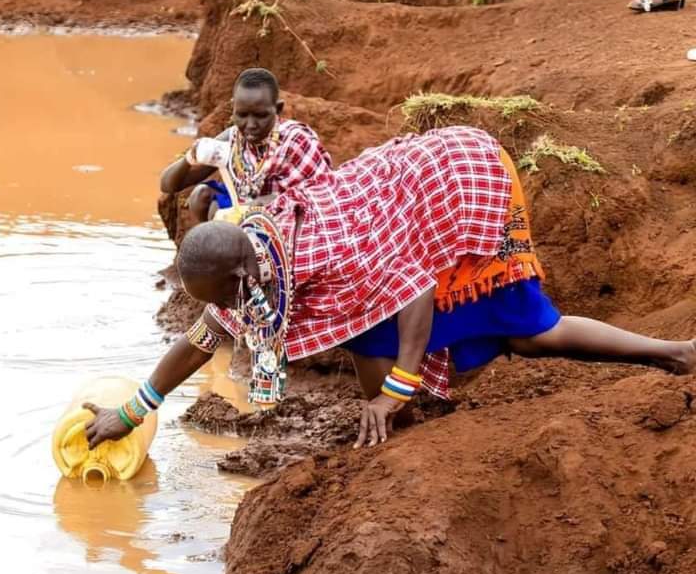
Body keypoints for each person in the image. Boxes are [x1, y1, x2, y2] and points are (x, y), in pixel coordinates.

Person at [85, 126, 696, 451]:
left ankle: (673, 354)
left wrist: (391, 397)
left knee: (530, 333)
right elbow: (202, 338)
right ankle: (411, 412)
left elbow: (415, 290)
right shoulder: (250, 251)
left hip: (459, 188)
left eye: (223, 297)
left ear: (243, 276)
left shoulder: (326, 256)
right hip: (395, 214)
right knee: (360, 325)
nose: (223, 311)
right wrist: (131, 412)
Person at [160, 68, 332, 221]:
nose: (250, 125)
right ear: (233, 108)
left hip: (289, 222)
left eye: (261, 116)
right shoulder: (233, 138)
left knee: (228, 214)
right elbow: (168, 184)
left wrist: (257, 205)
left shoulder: (296, 140)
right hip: (247, 212)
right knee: (202, 197)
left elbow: (321, 199)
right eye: (242, 115)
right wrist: (191, 157)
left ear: (278, 109)